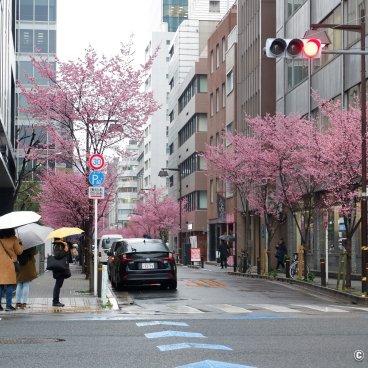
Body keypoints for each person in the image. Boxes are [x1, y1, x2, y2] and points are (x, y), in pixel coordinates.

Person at [0, 228, 23, 311]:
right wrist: (20, 243)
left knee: (1, 285)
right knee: (10, 285)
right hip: (9, 264)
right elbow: (19, 251)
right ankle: (8, 305)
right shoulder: (13, 239)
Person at [51, 237, 71, 307]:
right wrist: (65, 250)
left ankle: (56, 300)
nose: (63, 238)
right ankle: (55, 301)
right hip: (59, 268)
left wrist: (65, 247)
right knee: (58, 285)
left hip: (60, 268)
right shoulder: (58, 245)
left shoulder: (60, 244)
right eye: (62, 237)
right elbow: (58, 255)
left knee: (59, 285)